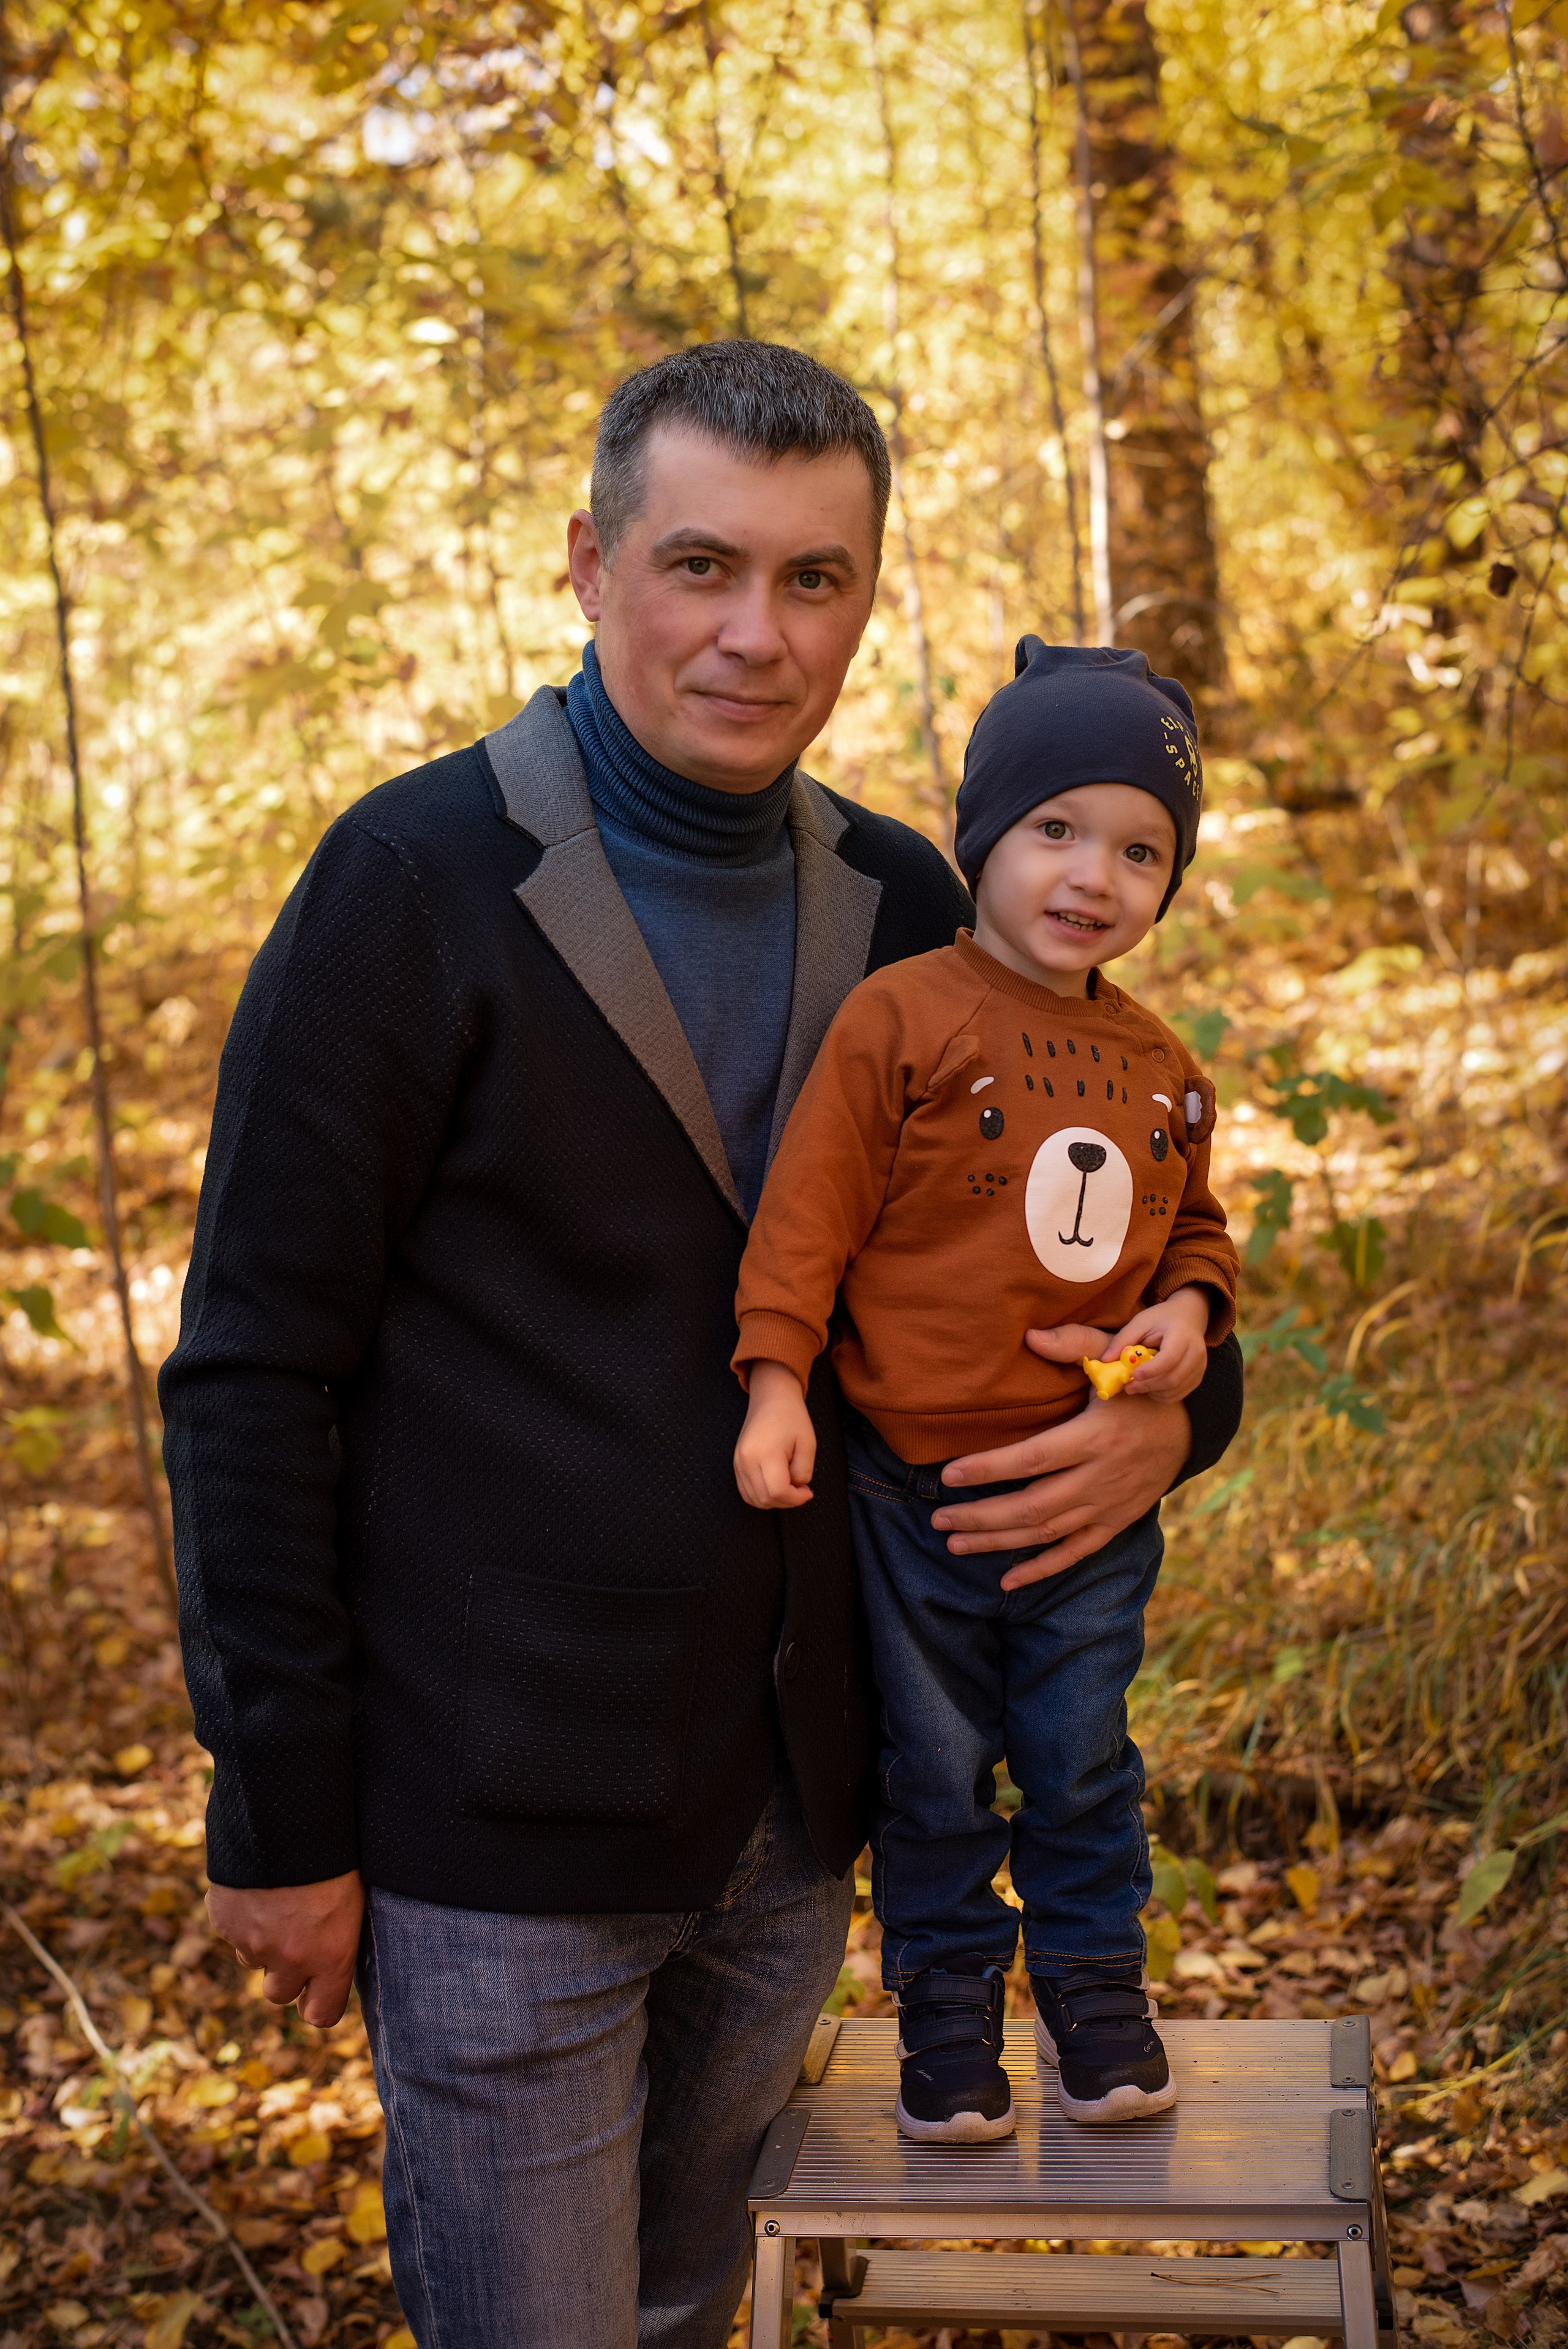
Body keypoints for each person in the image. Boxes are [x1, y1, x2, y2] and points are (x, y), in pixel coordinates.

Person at [160, 347, 1245, 2349]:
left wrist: (1172, 1422)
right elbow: (252, 1371)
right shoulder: (414, 887)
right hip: (498, 1821)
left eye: (816, 579)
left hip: (808, 1804)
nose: (757, 634)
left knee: (693, 2314)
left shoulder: (922, 905)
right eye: (701, 564)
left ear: (867, 593)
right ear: (589, 564)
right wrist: (280, 1810)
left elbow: (1103, 1241)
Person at [733, 638, 1240, 2143]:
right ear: (983, 839)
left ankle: (1097, 2004)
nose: (1093, 875)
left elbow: (1195, 1228)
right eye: (1055, 830)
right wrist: (775, 1386)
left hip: (1086, 1494)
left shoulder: (1161, 1067)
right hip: (907, 1496)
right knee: (936, 1772)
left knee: (1083, 1761)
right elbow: (806, 1218)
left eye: (1139, 849)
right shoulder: (902, 1017)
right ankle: (946, 2027)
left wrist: (1188, 1313)